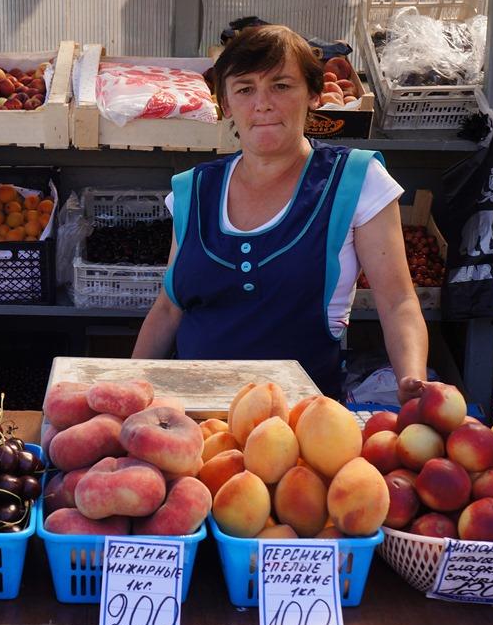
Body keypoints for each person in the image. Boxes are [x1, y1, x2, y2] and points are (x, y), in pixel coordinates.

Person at [132, 25, 427, 402]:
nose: (263, 103)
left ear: (314, 95)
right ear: (225, 103)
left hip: (303, 427)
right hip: (192, 419)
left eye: (281, 85)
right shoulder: (193, 190)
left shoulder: (356, 180)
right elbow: (168, 308)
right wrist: (131, 393)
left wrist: (413, 382)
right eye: (245, 89)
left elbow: (397, 300)